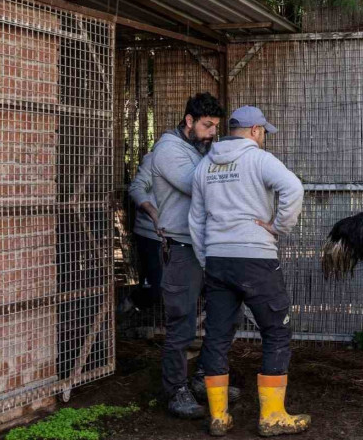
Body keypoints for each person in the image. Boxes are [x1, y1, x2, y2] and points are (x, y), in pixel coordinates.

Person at [189, 106, 309, 436]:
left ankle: (218, 417)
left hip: (217, 260)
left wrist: (207, 258)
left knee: (216, 335)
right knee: (276, 331)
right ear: (255, 130)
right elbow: (293, 189)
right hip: (255, 259)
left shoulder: (204, 166)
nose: (264, 137)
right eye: (264, 132)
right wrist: (278, 228)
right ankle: (271, 416)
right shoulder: (259, 159)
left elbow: (196, 220)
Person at [150, 92, 226, 419]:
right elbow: (196, 185)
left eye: (216, 127)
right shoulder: (168, 150)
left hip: (210, 246)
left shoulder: (200, 149)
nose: (212, 133)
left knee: (226, 316)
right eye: (207, 126)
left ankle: (203, 379)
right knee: (181, 323)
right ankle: (176, 390)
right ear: (189, 121)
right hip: (182, 247)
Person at [127, 151, 162, 312]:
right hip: (150, 233)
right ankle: (129, 305)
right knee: (153, 288)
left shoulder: (196, 156)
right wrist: (153, 213)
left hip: (180, 234)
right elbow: (136, 187)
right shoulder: (155, 157)